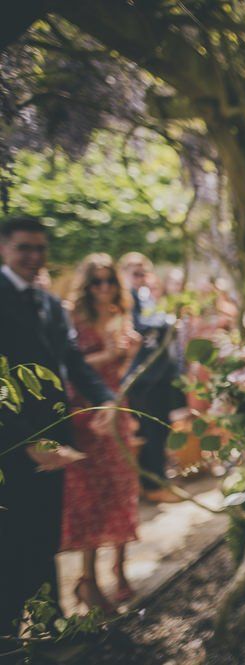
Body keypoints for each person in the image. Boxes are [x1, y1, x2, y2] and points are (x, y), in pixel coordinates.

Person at [0, 217, 115, 641]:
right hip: (10, 448)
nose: (34, 257)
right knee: (9, 545)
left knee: (45, 536)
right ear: (3, 248)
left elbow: (73, 361)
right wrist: (26, 442)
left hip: (56, 441)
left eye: (40, 249)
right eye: (24, 248)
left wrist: (106, 398)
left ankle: (49, 628)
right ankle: (9, 636)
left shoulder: (49, 303)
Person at [60, 254, 142, 613]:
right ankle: (88, 580)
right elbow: (68, 367)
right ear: (87, 285)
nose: (104, 288)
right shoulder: (74, 318)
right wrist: (107, 354)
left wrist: (127, 355)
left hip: (116, 408)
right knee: (89, 497)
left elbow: (121, 370)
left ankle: (120, 571)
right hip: (85, 414)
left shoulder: (122, 314)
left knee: (122, 489)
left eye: (109, 280)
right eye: (97, 282)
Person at [119, 252, 182, 503]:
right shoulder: (128, 301)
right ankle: (153, 485)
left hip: (159, 377)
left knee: (158, 430)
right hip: (144, 378)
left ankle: (155, 482)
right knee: (150, 432)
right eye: (135, 272)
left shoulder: (146, 297)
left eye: (144, 271)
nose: (141, 276)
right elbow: (145, 327)